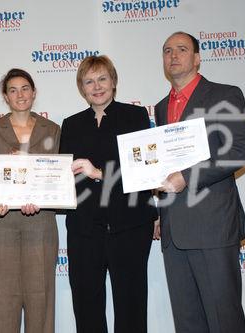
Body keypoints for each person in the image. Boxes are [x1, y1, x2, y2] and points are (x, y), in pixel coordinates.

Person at [155, 31, 245, 333]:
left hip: (213, 227)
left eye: (182, 49)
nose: (174, 55)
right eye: (167, 50)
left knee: (224, 321)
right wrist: (159, 212)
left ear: (197, 58)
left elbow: (238, 151)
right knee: (188, 323)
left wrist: (187, 177)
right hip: (174, 232)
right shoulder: (160, 107)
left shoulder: (225, 94)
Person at [59, 55, 158, 333]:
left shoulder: (135, 116)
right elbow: (64, 178)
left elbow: (145, 171)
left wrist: (99, 173)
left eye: (102, 78)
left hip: (129, 226)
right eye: (89, 81)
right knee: (86, 308)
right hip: (83, 230)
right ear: (82, 87)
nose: (97, 86)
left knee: (131, 306)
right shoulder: (71, 124)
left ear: (113, 82)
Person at [0, 68, 60, 333]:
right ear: (5, 96)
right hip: (0, 225)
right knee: (4, 302)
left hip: (40, 222)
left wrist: (45, 197)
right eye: (13, 90)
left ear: (34, 93)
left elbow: (58, 180)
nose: (20, 94)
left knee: (41, 301)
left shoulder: (53, 130)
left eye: (25, 88)